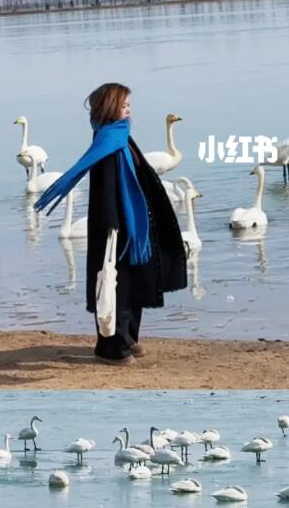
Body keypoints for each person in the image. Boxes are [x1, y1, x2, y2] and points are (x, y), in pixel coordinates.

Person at [35, 83, 187, 362]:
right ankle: (113, 347)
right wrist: (111, 226)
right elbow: (105, 187)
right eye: (123, 104)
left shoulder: (122, 137)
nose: (129, 108)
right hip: (116, 227)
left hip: (135, 226)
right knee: (115, 285)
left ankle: (129, 337)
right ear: (109, 108)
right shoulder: (108, 143)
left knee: (134, 284)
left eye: (129, 103)